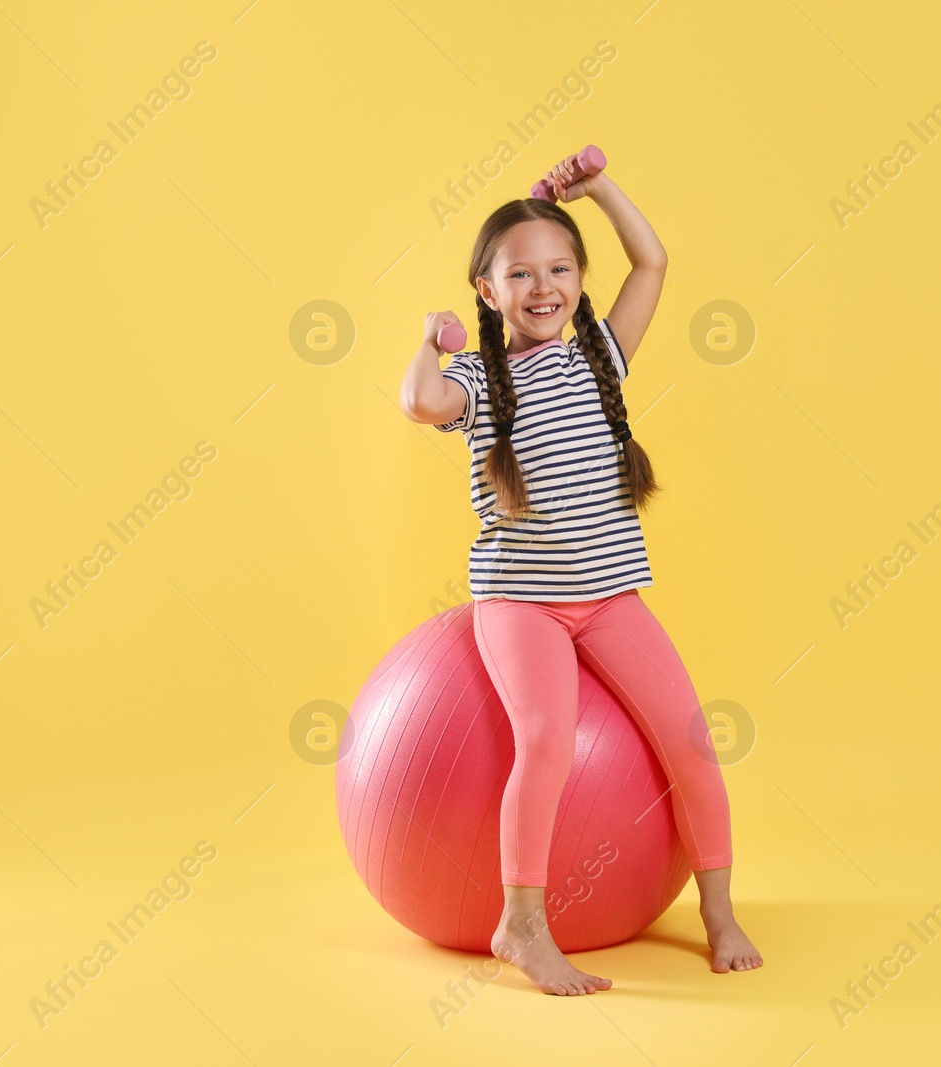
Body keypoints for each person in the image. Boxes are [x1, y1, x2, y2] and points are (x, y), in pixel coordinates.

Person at [399, 154, 762, 995]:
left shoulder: (597, 356)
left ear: (579, 279)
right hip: (520, 602)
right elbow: (418, 403)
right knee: (548, 742)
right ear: (487, 292)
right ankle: (522, 923)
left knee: (691, 740)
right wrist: (428, 339)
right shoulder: (480, 381)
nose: (542, 286)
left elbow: (655, 261)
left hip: (608, 597)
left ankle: (718, 910)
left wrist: (596, 191)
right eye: (518, 273)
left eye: (558, 268)